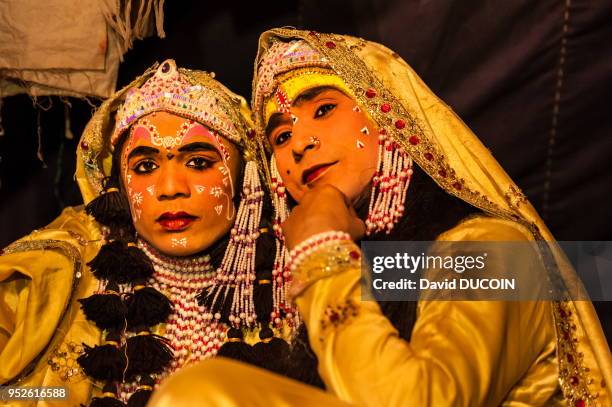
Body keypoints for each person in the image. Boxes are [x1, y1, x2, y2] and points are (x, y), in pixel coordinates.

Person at [150, 29, 611, 406]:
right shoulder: (348, 268)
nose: (298, 144)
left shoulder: (494, 251)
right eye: (281, 135)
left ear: (390, 117)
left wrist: (321, 251)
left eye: (324, 110)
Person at [0, 59, 295, 406]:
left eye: (198, 162)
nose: (170, 188)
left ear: (245, 174)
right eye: (145, 167)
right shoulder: (60, 264)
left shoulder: (307, 254)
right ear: (120, 188)